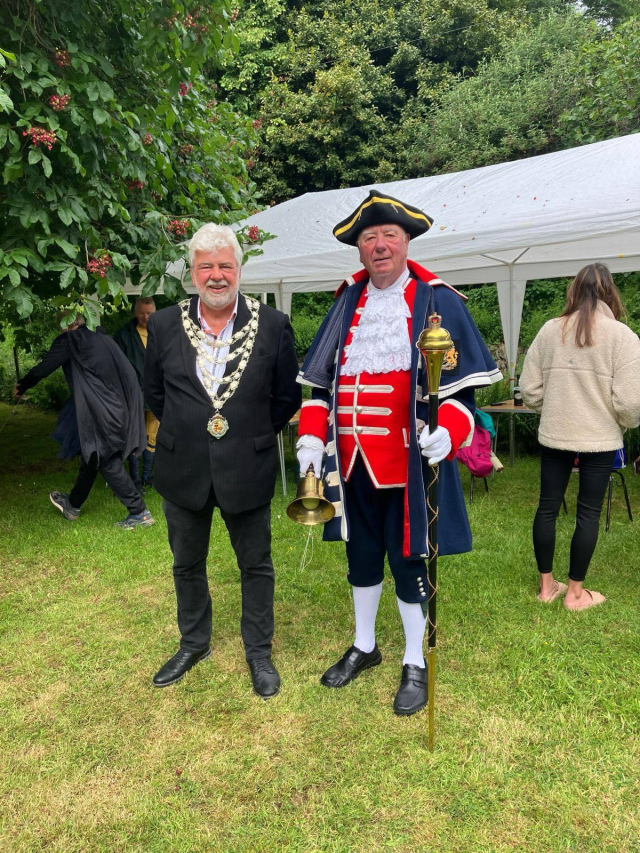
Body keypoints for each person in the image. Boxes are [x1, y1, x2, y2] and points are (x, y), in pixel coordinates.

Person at [295, 190, 501, 715]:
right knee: (360, 557)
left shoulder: (439, 301)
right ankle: (365, 646)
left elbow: (462, 396)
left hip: (410, 466)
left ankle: (415, 660)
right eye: (368, 238)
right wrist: (312, 439)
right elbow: (321, 386)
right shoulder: (346, 301)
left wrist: (449, 433)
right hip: (352, 465)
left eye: (388, 235)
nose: (379, 245)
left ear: (406, 241)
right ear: (359, 250)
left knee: (410, 561)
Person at [145, 223, 301, 697]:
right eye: (205, 266)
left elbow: (286, 397)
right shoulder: (164, 324)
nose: (216, 275)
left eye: (225, 265)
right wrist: (191, 429)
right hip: (183, 464)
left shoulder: (272, 324)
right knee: (186, 563)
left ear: (239, 269)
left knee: (255, 565)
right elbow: (154, 391)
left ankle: (258, 651)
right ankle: (194, 642)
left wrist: (248, 434)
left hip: (246, 464)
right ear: (192, 272)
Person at [520, 263, 640, 611]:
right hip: (599, 438)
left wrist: (554, 408)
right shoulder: (623, 336)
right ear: (610, 294)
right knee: (588, 513)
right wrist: (619, 422)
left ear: (573, 291)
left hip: (554, 433)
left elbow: (529, 390)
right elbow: (631, 404)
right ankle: (574, 594)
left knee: (547, 507)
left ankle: (547, 588)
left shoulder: (549, 331)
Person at [14, 312, 155, 529]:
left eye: (61, 327)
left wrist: (22, 385)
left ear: (65, 326)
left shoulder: (71, 340)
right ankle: (73, 504)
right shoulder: (103, 339)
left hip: (100, 410)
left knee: (106, 458)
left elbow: (45, 366)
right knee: (93, 455)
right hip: (117, 406)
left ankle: (139, 512)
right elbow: (128, 372)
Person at [114, 297, 159, 491]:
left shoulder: (162, 333)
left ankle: (147, 477)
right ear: (135, 312)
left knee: (152, 436)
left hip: (157, 393)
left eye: (149, 313)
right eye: (142, 312)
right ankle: (134, 480)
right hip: (133, 395)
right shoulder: (123, 335)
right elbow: (116, 366)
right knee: (134, 435)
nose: (145, 317)